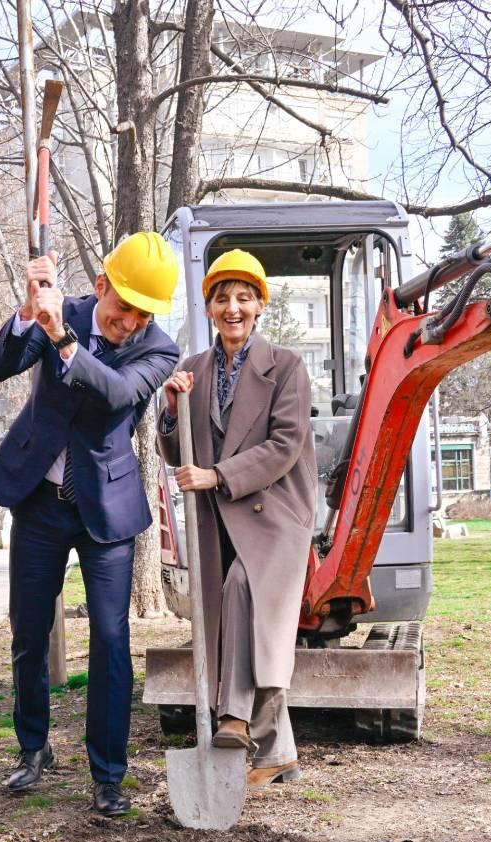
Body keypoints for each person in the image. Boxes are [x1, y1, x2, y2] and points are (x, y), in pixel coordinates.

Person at [0, 233, 180, 817]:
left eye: (144, 315)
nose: (131, 323)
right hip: (39, 501)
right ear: (100, 286)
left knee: (111, 642)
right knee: (29, 631)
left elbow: (117, 394)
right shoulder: (56, 309)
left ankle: (108, 774)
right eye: (124, 308)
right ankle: (33, 748)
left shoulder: (159, 349)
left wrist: (63, 339)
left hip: (107, 511)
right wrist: (29, 313)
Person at [158, 249, 316, 788]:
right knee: (244, 624)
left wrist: (217, 474)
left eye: (244, 298)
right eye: (222, 298)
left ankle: (234, 718)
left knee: (242, 590)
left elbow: (285, 444)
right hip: (217, 521)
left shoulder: (286, 367)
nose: (233, 308)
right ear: (209, 308)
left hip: (274, 514)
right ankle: (278, 753)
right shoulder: (193, 370)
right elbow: (173, 448)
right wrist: (170, 410)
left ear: (259, 306)